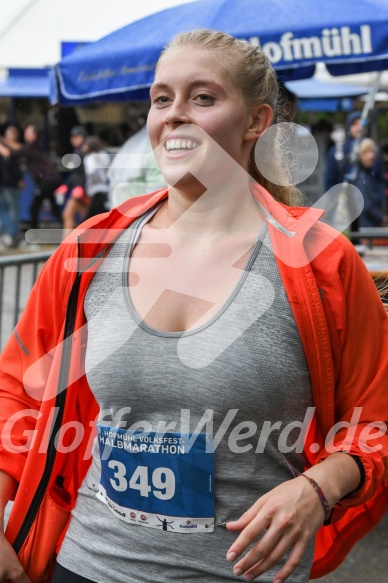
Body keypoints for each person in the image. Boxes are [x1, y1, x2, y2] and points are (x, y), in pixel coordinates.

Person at [0, 29, 387, 583]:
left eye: (202, 98)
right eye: (162, 99)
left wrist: (318, 488)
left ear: (255, 121)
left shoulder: (320, 262)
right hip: (87, 564)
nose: (174, 115)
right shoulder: (92, 247)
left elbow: (376, 424)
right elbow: (17, 389)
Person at [323, 111, 385, 229]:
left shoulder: (374, 151)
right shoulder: (338, 152)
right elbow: (329, 181)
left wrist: (378, 202)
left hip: (370, 214)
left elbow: (379, 179)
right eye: (354, 123)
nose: (359, 127)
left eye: (362, 123)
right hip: (345, 211)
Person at [0, 124, 63, 230]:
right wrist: (4, 140)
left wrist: (2, 140)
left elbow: (12, 152)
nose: (25, 133)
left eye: (28, 132)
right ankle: (67, 230)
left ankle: (35, 236)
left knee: (34, 209)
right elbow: (17, 147)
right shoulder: (33, 146)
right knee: (53, 208)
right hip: (51, 180)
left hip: (48, 181)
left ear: (34, 135)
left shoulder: (31, 147)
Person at [0, 125, 24, 248]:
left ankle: (10, 235)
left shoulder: (14, 148)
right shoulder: (6, 148)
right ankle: (13, 234)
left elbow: (13, 151)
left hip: (10, 182)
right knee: (7, 210)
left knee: (8, 210)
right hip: (7, 183)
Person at [353, 138, 384, 228]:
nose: (371, 156)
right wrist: (381, 219)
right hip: (368, 228)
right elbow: (365, 206)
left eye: (372, 152)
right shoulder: (360, 176)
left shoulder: (371, 174)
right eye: (366, 152)